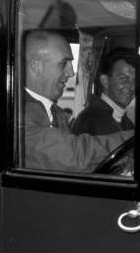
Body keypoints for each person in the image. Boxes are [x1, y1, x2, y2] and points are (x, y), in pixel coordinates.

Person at [22, 30, 132, 172]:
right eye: (64, 63)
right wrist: (139, 138)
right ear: (36, 66)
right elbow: (74, 157)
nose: (71, 72)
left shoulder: (57, 113)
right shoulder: (16, 114)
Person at [72, 48, 136, 136]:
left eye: (134, 81)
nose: (132, 87)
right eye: (124, 79)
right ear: (105, 81)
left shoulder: (126, 122)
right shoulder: (88, 121)